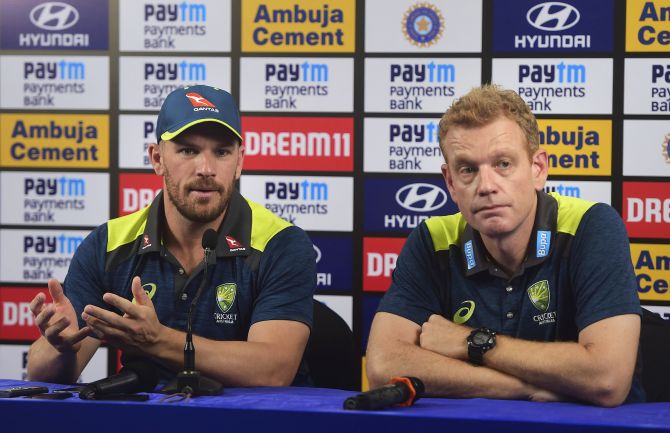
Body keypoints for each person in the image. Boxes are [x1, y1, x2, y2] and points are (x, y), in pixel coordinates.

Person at [366, 85, 643, 406]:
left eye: (503, 164)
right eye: (468, 169)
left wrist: (472, 342)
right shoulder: (433, 239)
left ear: (538, 169)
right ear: (451, 183)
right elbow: (383, 366)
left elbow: (606, 379)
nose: (486, 186)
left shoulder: (590, 226)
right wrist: (520, 388)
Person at [27, 85, 316, 387]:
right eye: (188, 150)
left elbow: (272, 370)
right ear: (157, 158)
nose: (206, 168)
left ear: (239, 161)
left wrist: (157, 340)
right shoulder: (108, 245)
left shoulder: (280, 243)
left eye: (222, 152)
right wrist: (60, 348)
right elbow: (42, 375)